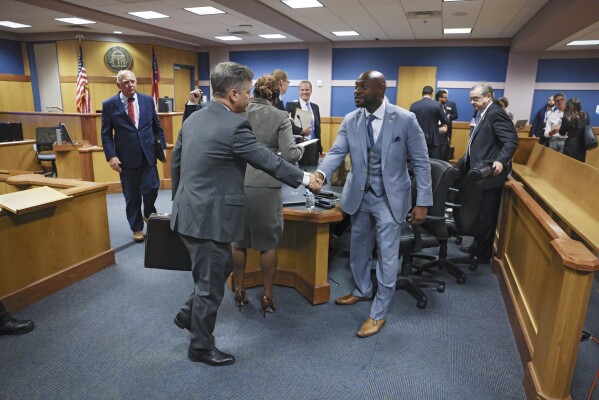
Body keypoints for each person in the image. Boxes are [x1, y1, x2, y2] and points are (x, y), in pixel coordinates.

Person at [170, 62, 320, 366]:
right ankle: (200, 346)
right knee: (211, 287)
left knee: (221, 264)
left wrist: (179, 202)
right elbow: (267, 160)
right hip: (207, 219)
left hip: (187, 211)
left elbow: (176, 163)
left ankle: (189, 314)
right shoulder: (233, 125)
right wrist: (305, 179)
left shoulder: (193, 118)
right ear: (234, 93)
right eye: (249, 93)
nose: (250, 99)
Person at [316, 70, 433, 338]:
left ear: (380, 88)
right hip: (359, 196)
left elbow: (421, 162)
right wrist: (320, 174)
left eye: (363, 87)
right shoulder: (350, 119)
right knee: (358, 248)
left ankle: (379, 313)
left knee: (387, 256)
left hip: (390, 199)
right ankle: (361, 290)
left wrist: (423, 201)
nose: (356, 91)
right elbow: (336, 152)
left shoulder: (405, 119)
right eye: (356, 87)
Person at [230, 75, 305, 317]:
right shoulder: (280, 116)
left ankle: (239, 290)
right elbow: (290, 155)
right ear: (275, 94)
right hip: (267, 185)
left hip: (239, 182)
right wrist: (301, 147)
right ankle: (267, 296)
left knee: (238, 242)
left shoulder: (238, 113)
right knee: (268, 244)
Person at [101, 69, 166, 243]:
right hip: (126, 159)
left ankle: (148, 211)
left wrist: (162, 146)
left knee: (152, 188)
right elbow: (106, 134)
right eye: (126, 82)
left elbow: (156, 127)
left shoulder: (146, 100)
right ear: (119, 85)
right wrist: (111, 156)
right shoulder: (109, 105)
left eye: (133, 81)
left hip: (148, 153)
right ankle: (137, 227)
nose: (130, 85)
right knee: (132, 195)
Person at [460, 83, 518, 264]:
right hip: (480, 172)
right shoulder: (483, 113)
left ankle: (483, 254)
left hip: (490, 174)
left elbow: (511, 140)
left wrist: (501, 160)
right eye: (471, 99)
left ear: (488, 97)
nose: (472, 102)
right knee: (479, 213)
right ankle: (477, 245)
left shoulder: (495, 112)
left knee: (487, 215)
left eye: (476, 99)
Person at [286, 80, 322, 164]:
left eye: (307, 90)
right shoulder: (291, 106)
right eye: (302, 90)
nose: (304, 92)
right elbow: (287, 126)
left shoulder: (315, 107)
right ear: (299, 91)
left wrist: (319, 148)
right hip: (298, 146)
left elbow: (318, 128)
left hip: (313, 147)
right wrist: (301, 131)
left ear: (311, 91)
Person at [409, 85, 448, 159]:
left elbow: (410, 122)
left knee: (418, 160)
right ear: (432, 94)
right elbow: (445, 119)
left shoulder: (413, 105)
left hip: (417, 138)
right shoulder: (437, 105)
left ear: (422, 93)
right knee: (433, 161)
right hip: (432, 139)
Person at [560, 98, 590, 162]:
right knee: (579, 165)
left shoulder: (567, 116)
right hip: (582, 143)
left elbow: (562, 132)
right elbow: (587, 127)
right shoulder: (585, 115)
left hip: (571, 143)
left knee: (567, 163)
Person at [436, 89, 458, 161]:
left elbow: (455, 115)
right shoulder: (433, 106)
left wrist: (449, 117)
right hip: (436, 133)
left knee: (445, 153)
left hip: (446, 133)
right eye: (445, 97)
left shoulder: (450, 104)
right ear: (439, 98)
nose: (447, 99)